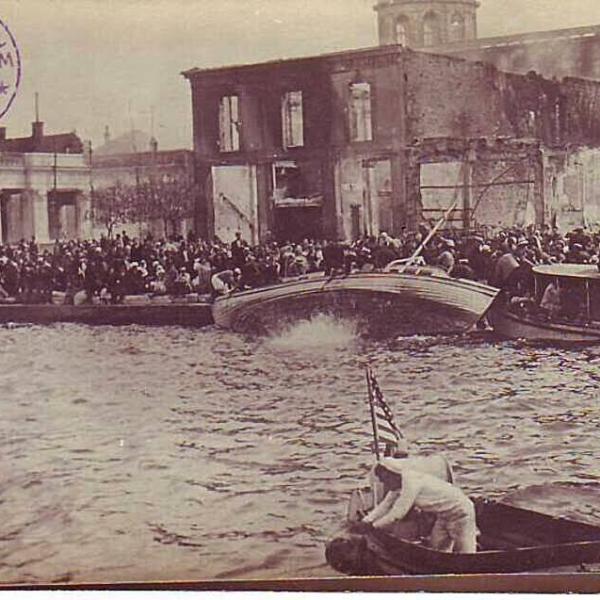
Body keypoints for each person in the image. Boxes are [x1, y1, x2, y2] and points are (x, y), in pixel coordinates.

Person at [360, 461, 477, 554]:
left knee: (466, 554)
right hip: (443, 516)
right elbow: (385, 505)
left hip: (461, 513)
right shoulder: (397, 483)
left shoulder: (411, 483)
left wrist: (373, 527)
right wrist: (366, 521)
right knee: (437, 549)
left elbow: (397, 514)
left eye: (385, 479)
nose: (385, 483)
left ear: (392, 474)